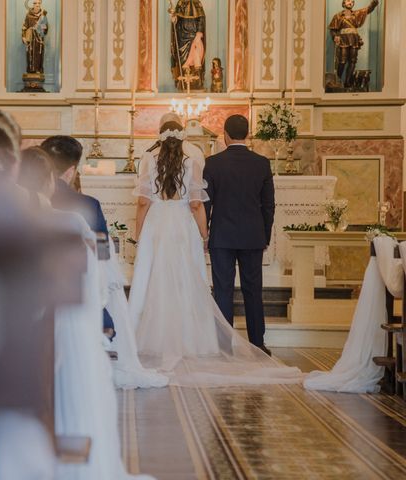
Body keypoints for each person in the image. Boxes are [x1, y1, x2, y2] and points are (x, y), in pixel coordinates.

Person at [129, 114, 301, 386]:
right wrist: (205, 233)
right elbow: (202, 204)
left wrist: (140, 234)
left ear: (225, 135)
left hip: (162, 226)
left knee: (162, 281)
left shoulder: (158, 159)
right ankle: (250, 343)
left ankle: (214, 342)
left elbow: (143, 201)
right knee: (199, 284)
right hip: (200, 228)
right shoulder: (201, 161)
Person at [204, 115, 274, 355]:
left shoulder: (212, 163)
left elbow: (206, 204)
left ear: (225, 134)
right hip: (252, 235)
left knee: (223, 289)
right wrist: (265, 235)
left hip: (222, 236)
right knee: (253, 289)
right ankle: (258, 343)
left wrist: (205, 234)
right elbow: (268, 205)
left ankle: (224, 346)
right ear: (248, 134)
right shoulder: (261, 163)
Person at [40, 135, 115, 338]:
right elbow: (103, 253)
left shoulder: (25, 199)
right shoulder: (89, 204)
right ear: (72, 170)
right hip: (78, 294)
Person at [329, 0, 380, 88]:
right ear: (344, 3)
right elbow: (332, 29)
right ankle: (338, 80)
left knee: (352, 61)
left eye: (352, 1)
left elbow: (368, 9)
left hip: (354, 39)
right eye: (348, 1)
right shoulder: (338, 16)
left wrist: (374, 2)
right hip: (343, 39)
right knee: (342, 61)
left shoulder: (357, 14)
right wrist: (335, 36)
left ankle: (347, 82)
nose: (350, 2)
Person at [170, 0, 206, 91]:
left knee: (196, 56)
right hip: (181, 36)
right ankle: (183, 83)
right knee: (183, 59)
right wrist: (174, 18)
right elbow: (176, 19)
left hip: (194, 35)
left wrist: (199, 33)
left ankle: (196, 82)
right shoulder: (180, 3)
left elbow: (201, 18)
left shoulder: (197, 3)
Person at [22, 0, 48, 75]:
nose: (37, 5)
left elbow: (45, 29)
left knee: (39, 55)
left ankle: (38, 70)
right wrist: (23, 36)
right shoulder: (28, 15)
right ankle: (30, 71)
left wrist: (41, 27)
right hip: (30, 39)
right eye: (35, 3)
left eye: (39, 3)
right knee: (30, 54)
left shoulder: (43, 15)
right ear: (32, 4)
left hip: (39, 39)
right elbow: (24, 26)